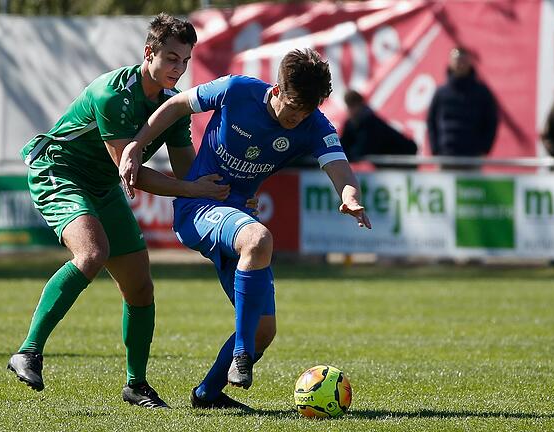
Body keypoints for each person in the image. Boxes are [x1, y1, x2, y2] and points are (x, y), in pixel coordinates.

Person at [119, 48, 371, 409]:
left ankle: (207, 394)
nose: (298, 117)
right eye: (294, 107)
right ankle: (241, 355)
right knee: (259, 237)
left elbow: (341, 169)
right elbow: (177, 106)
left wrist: (350, 197)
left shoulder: (314, 124)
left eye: (308, 110)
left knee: (264, 330)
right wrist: (136, 146)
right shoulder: (237, 90)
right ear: (277, 91)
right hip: (198, 207)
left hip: (236, 213)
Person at [7, 13, 230, 409]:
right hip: (59, 170)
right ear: (149, 53)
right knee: (92, 253)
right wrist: (191, 188)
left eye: (185, 61)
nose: (178, 69)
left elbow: (188, 172)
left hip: (102, 187)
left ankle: (136, 384)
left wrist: (228, 199)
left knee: (140, 286)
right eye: (171, 59)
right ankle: (28, 351)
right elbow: (135, 174)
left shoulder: (172, 107)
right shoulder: (113, 94)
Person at [427, 47, 498, 169]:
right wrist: (435, 150)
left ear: (470, 62)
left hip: (472, 158)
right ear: (450, 62)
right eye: (457, 60)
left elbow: (491, 121)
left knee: (473, 188)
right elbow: (431, 121)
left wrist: (484, 149)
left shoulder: (482, 92)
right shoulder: (441, 93)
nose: (460, 64)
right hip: (446, 156)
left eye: (464, 60)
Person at [340, 89, 417, 168]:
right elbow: (344, 145)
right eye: (349, 106)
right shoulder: (351, 123)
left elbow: (363, 148)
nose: (350, 110)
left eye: (352, 105)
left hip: (402, 158)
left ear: (359, 104)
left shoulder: (370, 122)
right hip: (389, 162)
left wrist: (345, 156)